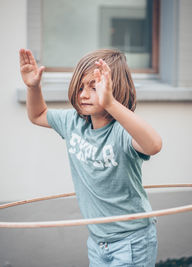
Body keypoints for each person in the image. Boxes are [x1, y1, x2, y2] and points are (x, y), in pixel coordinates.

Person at [19, 48, 162, 267]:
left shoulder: (122, 132)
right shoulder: (72, 123)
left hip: (132, 240)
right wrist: (33, 87)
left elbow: (154, 145)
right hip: (97, 241)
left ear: (115, 90)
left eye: (94, 88)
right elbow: (37, 115)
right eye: (80, 87)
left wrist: (111, 103)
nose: (84, 95)